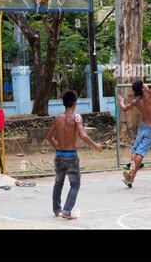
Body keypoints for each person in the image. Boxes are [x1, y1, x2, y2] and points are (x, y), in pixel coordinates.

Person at [46, 90, 102, 220]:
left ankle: (56, 209)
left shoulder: (57, 118)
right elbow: (83, 135)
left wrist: (58, 148)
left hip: (59, 155)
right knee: (75, 185)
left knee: (58, 183)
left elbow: (48, 137)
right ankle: (66, 211)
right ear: (74, 104)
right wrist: (95, 145)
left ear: (64, 103)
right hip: (71, 155)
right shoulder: (77, 117)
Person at [118, 54, 151, 188]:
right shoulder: (149, 96)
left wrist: (120, 101)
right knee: (140, 153)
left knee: (135, 150)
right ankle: (132, 171)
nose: (146, 84)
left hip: (142, 127)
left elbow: (125, 108)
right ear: (143, 88)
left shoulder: (137, 101)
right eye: (144, 83)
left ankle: (131, 177)